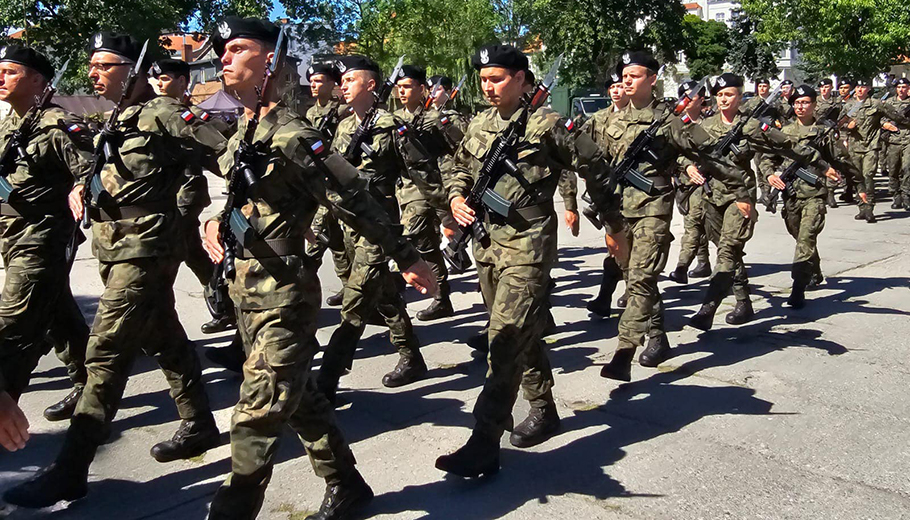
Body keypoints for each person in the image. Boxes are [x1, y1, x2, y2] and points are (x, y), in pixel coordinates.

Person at [198, 17, 435, 519]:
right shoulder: (246, 127)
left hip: (283, 293)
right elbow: (247, 197)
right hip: (247, 287)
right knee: (301, 397)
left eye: (237, 48)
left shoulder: (293, 134)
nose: (223, 57)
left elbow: (355, 199)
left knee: (258, 410)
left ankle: (235, 504)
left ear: (270, 61)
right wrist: (218, 221)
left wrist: (408, 256)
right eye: (222, 49)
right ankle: (347, 485)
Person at [3, 32, 225, 508]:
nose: (93, 73)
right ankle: (200, 422)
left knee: (105, 352)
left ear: (133, 69)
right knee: (163, 334)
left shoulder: (165, 112)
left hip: (148, 248)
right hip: (113, 248)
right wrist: (83, 185)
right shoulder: (116, 117)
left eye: (104, 65)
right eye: (92, 65)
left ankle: (71, 468)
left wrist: (222, 215)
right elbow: (102, 167)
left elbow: (228, 154)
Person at [435, 43, 613, 477]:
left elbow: (594, 161)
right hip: (487, 242)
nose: (488, 87)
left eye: (496, 79)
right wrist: (456, 197)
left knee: (504, 338)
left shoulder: (547, 124)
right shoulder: (479, 122)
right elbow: (458, 167)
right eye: (484, 80)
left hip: (529, 242)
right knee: (522, 331)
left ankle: (484, 440)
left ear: (520, 79)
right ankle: (544, 408)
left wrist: (612, 221)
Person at [316, 55, 444, 402]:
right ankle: (412, 357)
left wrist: (448, 215)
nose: (342, 85)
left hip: (379, 228)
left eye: (350, 80)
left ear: (370, 85)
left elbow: (424, 174)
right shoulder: (343, 126)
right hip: (347, 228)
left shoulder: (391, 127)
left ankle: (326, 380)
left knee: (354, 305)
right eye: (341, 80)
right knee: (386, 298)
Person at [684, 73, 834, 332]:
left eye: (729, 94)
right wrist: (686, 167)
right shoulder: (706, 126)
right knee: (727, 250)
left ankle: (708, 307)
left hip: (740, 196)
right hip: (711, 196)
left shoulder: (750, 126)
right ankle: (743, 301)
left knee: (728, 249)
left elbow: (786, 145)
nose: (723, 99)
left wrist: (821, 164)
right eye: (719, 95)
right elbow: (680, 150)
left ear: (740, 97)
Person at [0, 45, 91, 424]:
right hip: (11, 232)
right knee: (57, 313)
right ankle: (91, 385)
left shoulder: (58, 125)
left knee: (13, 323)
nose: (0, 78)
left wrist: (81, 187)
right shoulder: (9, 123)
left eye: (9, 72)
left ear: (37, 79)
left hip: (43, 234)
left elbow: (93, 168)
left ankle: (5, 411)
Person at [150, 58, 236, 334]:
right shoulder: (152, 113)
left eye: (165, 79)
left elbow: (220, 153)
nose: (159, 84)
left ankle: (155, 324)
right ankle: (224, 302)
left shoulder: (194, 115)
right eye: (156, 79)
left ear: (183, 82)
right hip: (164, 196)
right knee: (191, 253)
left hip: (186, 194)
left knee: (167, 257)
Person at [759, 85, 851, 307]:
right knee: (799, 235)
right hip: (790, 195)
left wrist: (852, 181)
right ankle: (814, 270)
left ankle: (797, 288)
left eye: (805, 102)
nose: (800, 106)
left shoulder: (823, 132)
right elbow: (766, 158)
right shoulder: (785, 132)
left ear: (814, 105)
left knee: (806, 238)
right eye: (797, 103)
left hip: (814, 194)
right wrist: (770, 175)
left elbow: (839, 159)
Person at [394, 64, 456, 320]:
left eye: (408, 87)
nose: (402, 92)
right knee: (425, 246)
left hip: (428, 190)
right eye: (399, 87)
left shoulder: (435, 119)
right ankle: (441, 296)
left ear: (422, 89)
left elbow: (454, 154)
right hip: (402, 191)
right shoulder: (393, 119)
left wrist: (448, 206)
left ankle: (435, 294)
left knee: (415, 238)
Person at [580, 71, 630, 317]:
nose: (616, 90)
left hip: (633, 192)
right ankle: (605, 297)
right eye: (612, 87)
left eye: (620, 86)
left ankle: (634, 297)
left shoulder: (640, 118)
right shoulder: (597, 119)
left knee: (630, 247)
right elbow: (579, 149)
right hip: (608, 192)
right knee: (615, 246)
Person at [304, 62, 353, 307]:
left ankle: (301, 287)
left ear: (333, 84)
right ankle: (350, 286)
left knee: (317, 238)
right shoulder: (309, 114)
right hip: (314, 184)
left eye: (319, 80)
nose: (314, 84)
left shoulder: (344, 112)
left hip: (333, 181)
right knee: (335, 241)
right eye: (312, 81)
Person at [843, 77, 910, 223]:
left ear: (868, 89)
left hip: (871, 147)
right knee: (857, 177)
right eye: (858, 88)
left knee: (868, 175)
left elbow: (895, 116)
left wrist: (902, 123)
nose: (860, 90)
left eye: (864, 87)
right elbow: (840, 124)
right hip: (855, 147)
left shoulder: (877, 104)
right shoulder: (850, 106)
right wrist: (847, 127)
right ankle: (861, 207)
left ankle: (869, 208)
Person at [668, 79, 712, 285]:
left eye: (690, 98)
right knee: (694, 222)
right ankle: (703, 262)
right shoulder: (675, 123)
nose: (684, 101)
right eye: (682, 97)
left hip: (708, 182)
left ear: (701, 99)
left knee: (694, 224)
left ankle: (682, 266)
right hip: (684, 182)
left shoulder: (710, 123)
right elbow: (670, 152)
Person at [883, 78, 910, 210]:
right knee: (893, 169)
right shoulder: (889, 102)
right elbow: (880, 118)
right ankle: (896, 195)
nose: (901, 90)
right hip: (893, 140)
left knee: (907, 167)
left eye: (904, 87)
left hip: (908, 139)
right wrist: (886, 124)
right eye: (899, 87)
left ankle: (906, 196)